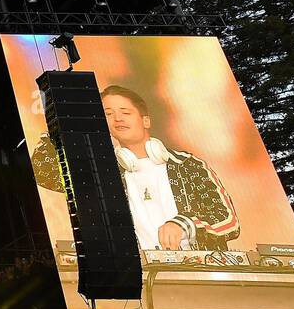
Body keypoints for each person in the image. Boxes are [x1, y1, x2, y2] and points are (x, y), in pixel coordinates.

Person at [30, 84, 239, 250]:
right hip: (138, 282)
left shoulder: (188, 165)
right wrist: (65, 124)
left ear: (145, 120)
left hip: (204, 278)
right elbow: (43, 171)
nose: (117, 118)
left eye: (125, 112)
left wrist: (183, 224)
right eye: (108, 114)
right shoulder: (100, 173)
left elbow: (228, 219)